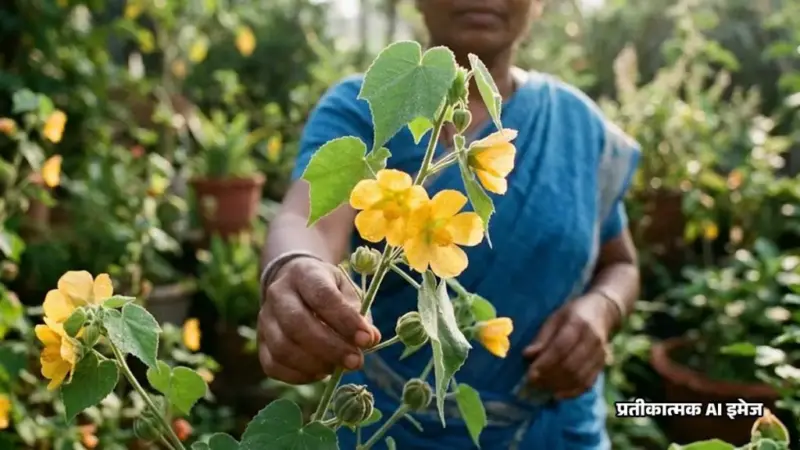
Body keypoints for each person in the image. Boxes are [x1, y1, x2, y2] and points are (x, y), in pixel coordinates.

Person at [257, 0, 641, 448]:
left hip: (557, 428)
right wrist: (292, 266)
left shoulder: (579, 126)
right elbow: (308, 218)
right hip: (385, 423)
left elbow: (622, 263)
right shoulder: (365, 108)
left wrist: (603, 308)